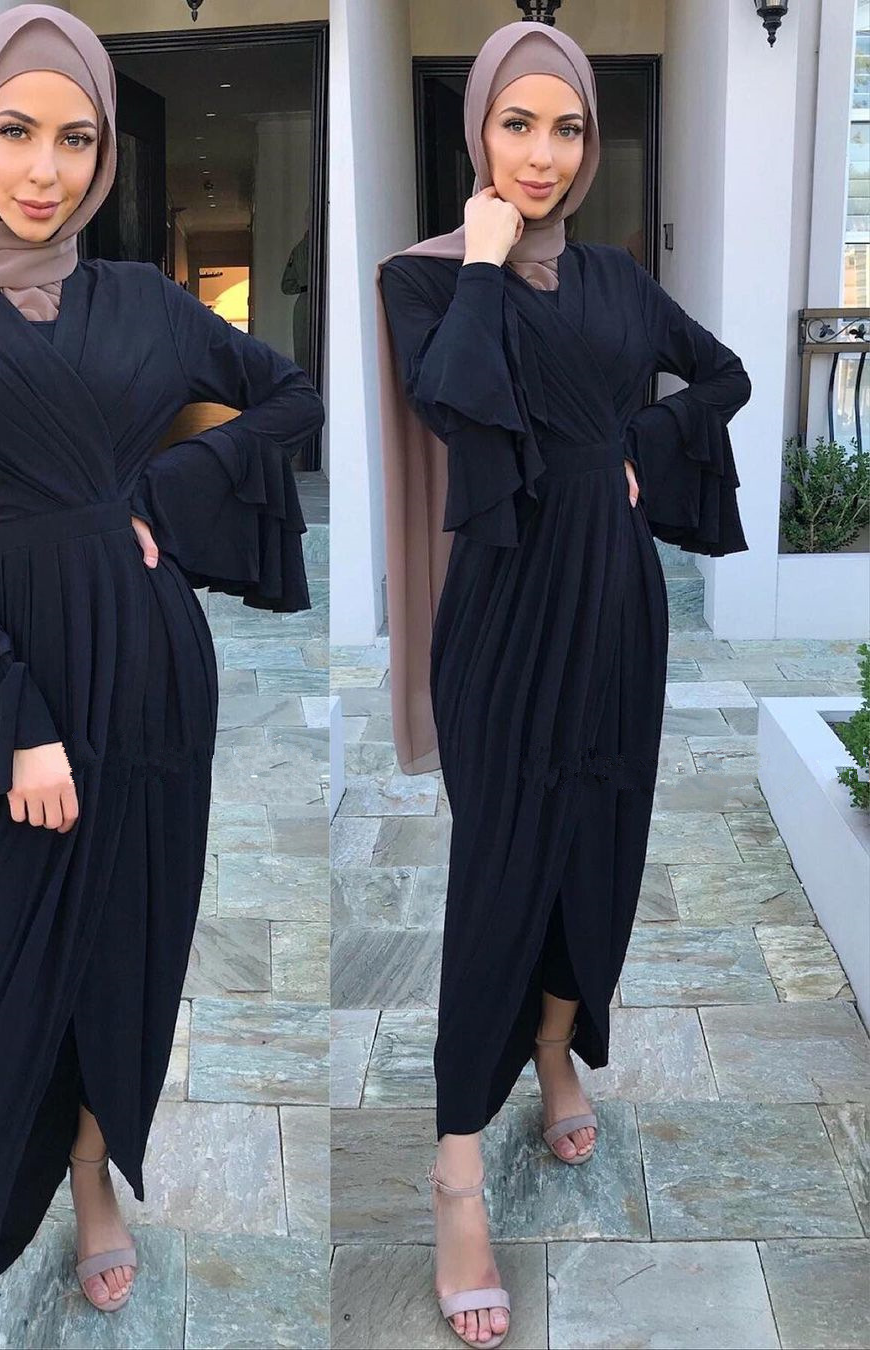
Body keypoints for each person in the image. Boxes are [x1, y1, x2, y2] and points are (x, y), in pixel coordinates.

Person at [0, 8, 324, 1348]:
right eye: (18, 131)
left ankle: (92, 1172)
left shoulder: (146, 303)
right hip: (17, 696)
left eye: (76, 138)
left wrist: (169, 490)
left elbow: (290, 393)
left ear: (106, 153)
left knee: (128, 954)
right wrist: (13, 723)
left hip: (155, 678)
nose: (44, 168)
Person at [375, 20, 750, 1349]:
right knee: (498, 872)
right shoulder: (425, 280)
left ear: (591, 141)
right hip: (502, 617)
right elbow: (453, 402)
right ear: (479, 128)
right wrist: (483, 260)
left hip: (617, 609)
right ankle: (456, 1173)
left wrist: (640, 444)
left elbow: (724, 374)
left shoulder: (618, 281)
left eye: (569, 126)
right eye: (517, 122)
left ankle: (552, 1047)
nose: (543, 153)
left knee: (600, 843)